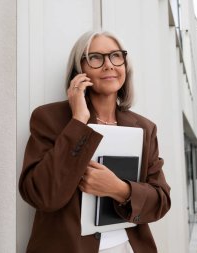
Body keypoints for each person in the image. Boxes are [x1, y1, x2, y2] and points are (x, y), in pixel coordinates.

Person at [19, 30, 171, 253]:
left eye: (116, 56)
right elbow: (43, 195)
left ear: (125, 66)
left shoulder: (144, 128)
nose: (108, 65)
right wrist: (78, 122)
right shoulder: (49, 118)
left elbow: (161, 201)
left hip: (128, 246)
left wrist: (120, 189)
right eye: (96, 58)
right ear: (79, 70)